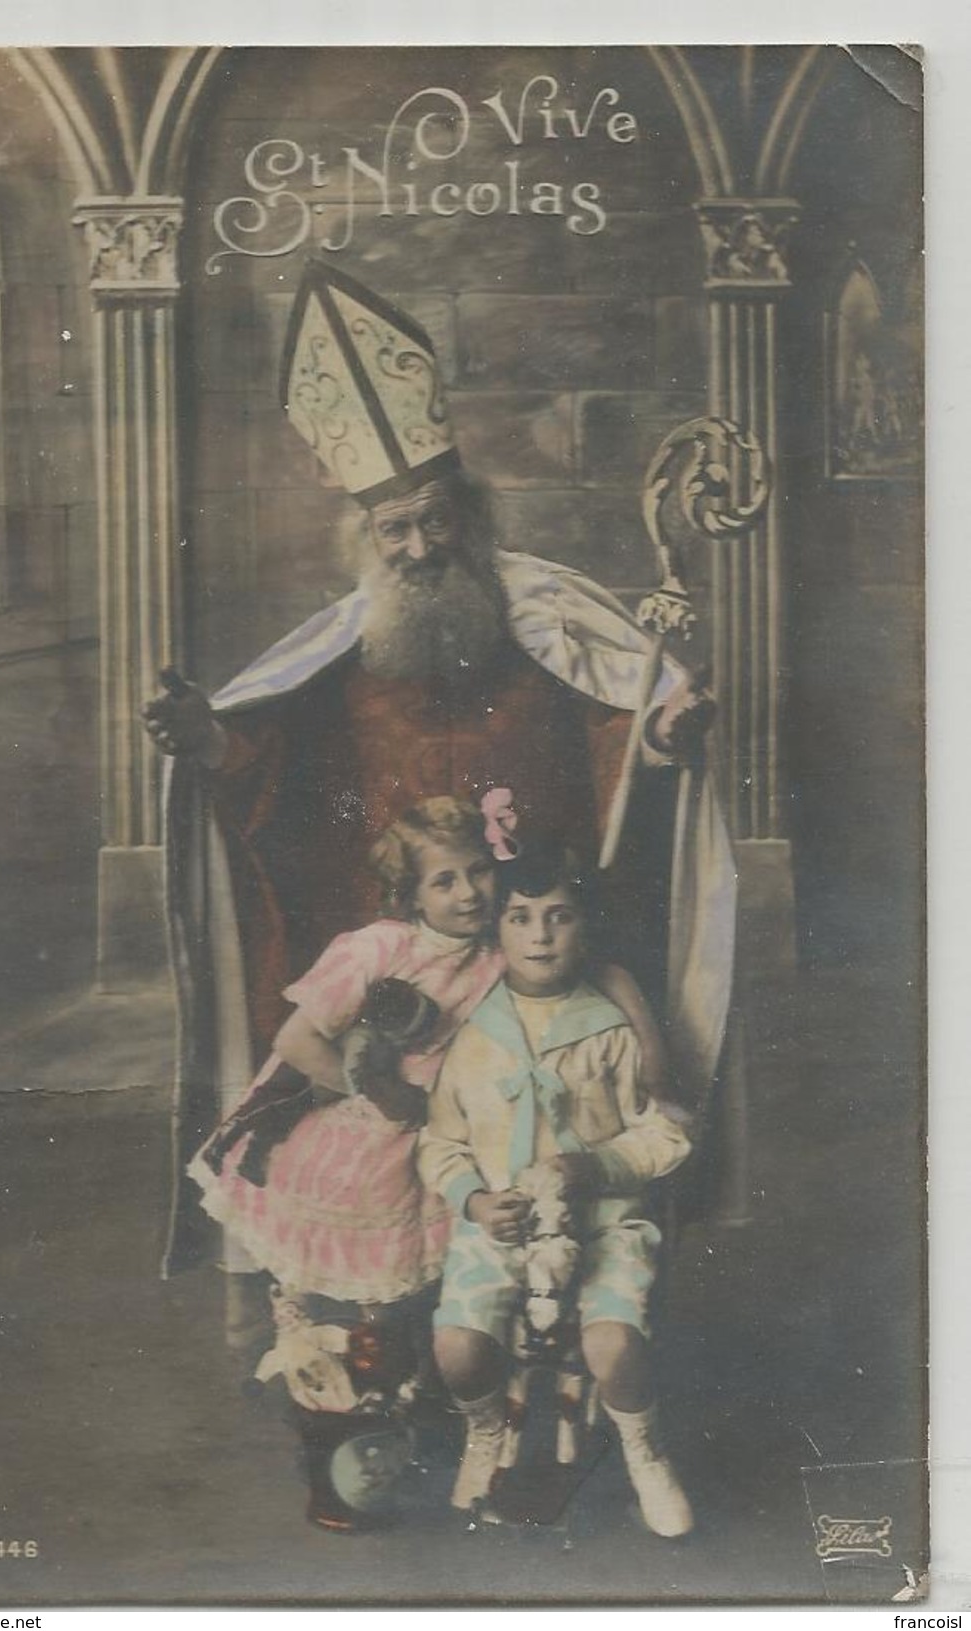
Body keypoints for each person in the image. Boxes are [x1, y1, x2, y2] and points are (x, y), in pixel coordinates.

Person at [146, 260, 734, 1283]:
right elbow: (272, 757)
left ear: (468, 515)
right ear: (367, 540)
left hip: (533, 936)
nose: (418, 545)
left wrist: (661, 736)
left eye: (434, 519)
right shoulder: (350, 646)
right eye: (395, 529)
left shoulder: (544, 615)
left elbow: (609, 724)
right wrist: (206, 737)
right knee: (404, 1139)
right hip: (405, 956)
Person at [418, 845, 694, 1537]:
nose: (539, 935)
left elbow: (664, 1133)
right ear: (497, 930)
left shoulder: (606, 1028)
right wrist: (477, 1202)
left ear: (584, 926)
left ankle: (644, 1450)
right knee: (456, 1346)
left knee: (612, 1346)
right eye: (520, 917)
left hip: (602, 1223)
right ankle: (485, 1430)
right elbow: (439, 1141)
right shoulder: (473, 1030)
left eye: (558, 916)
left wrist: (596, 1166)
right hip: (503, 1225)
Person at [186, 796, 504, 1310]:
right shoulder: (381, 948)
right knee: (357, 1281)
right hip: (367, 1122)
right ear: (414, 896)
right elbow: (295, 1041)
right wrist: (376, 1094)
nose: (469, 893)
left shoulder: (495, 956)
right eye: (444, 882)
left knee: (434, 1278)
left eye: (479, 872)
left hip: (438, 1126)